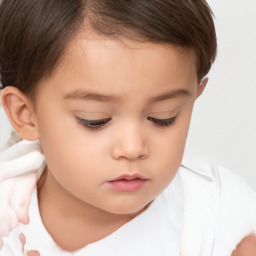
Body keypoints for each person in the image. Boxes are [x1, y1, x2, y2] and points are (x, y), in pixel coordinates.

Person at [0, 0, 255, 255]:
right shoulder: (6, 214)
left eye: (163, 117)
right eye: (95, 121)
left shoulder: (222, 219)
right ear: (25, 115)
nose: (133, 148)